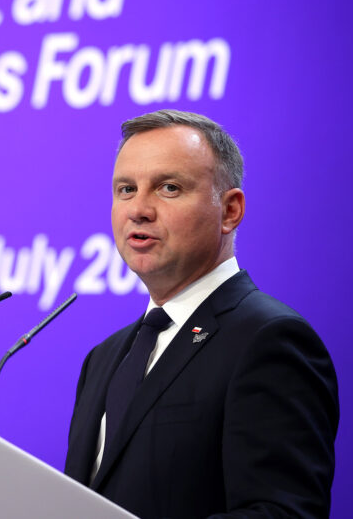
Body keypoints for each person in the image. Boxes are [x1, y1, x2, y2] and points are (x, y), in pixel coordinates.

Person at [64, 110, 338, 518]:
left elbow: (283, 513)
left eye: (169, 188)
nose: (138, 209)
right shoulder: (103, 358)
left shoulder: (268, 340)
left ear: (230, 211)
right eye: (126, 189)